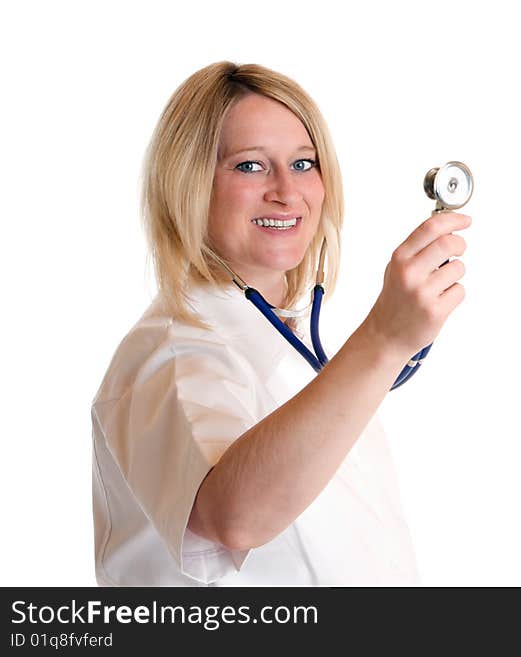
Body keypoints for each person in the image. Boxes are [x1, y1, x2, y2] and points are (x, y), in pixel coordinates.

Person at [91, 61, 470, 586]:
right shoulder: (172, 352)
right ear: (189, 183)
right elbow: (235, 519)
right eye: (249, 166)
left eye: (303, 163)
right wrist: (384, 340)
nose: (286, 192)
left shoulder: (292, 351)